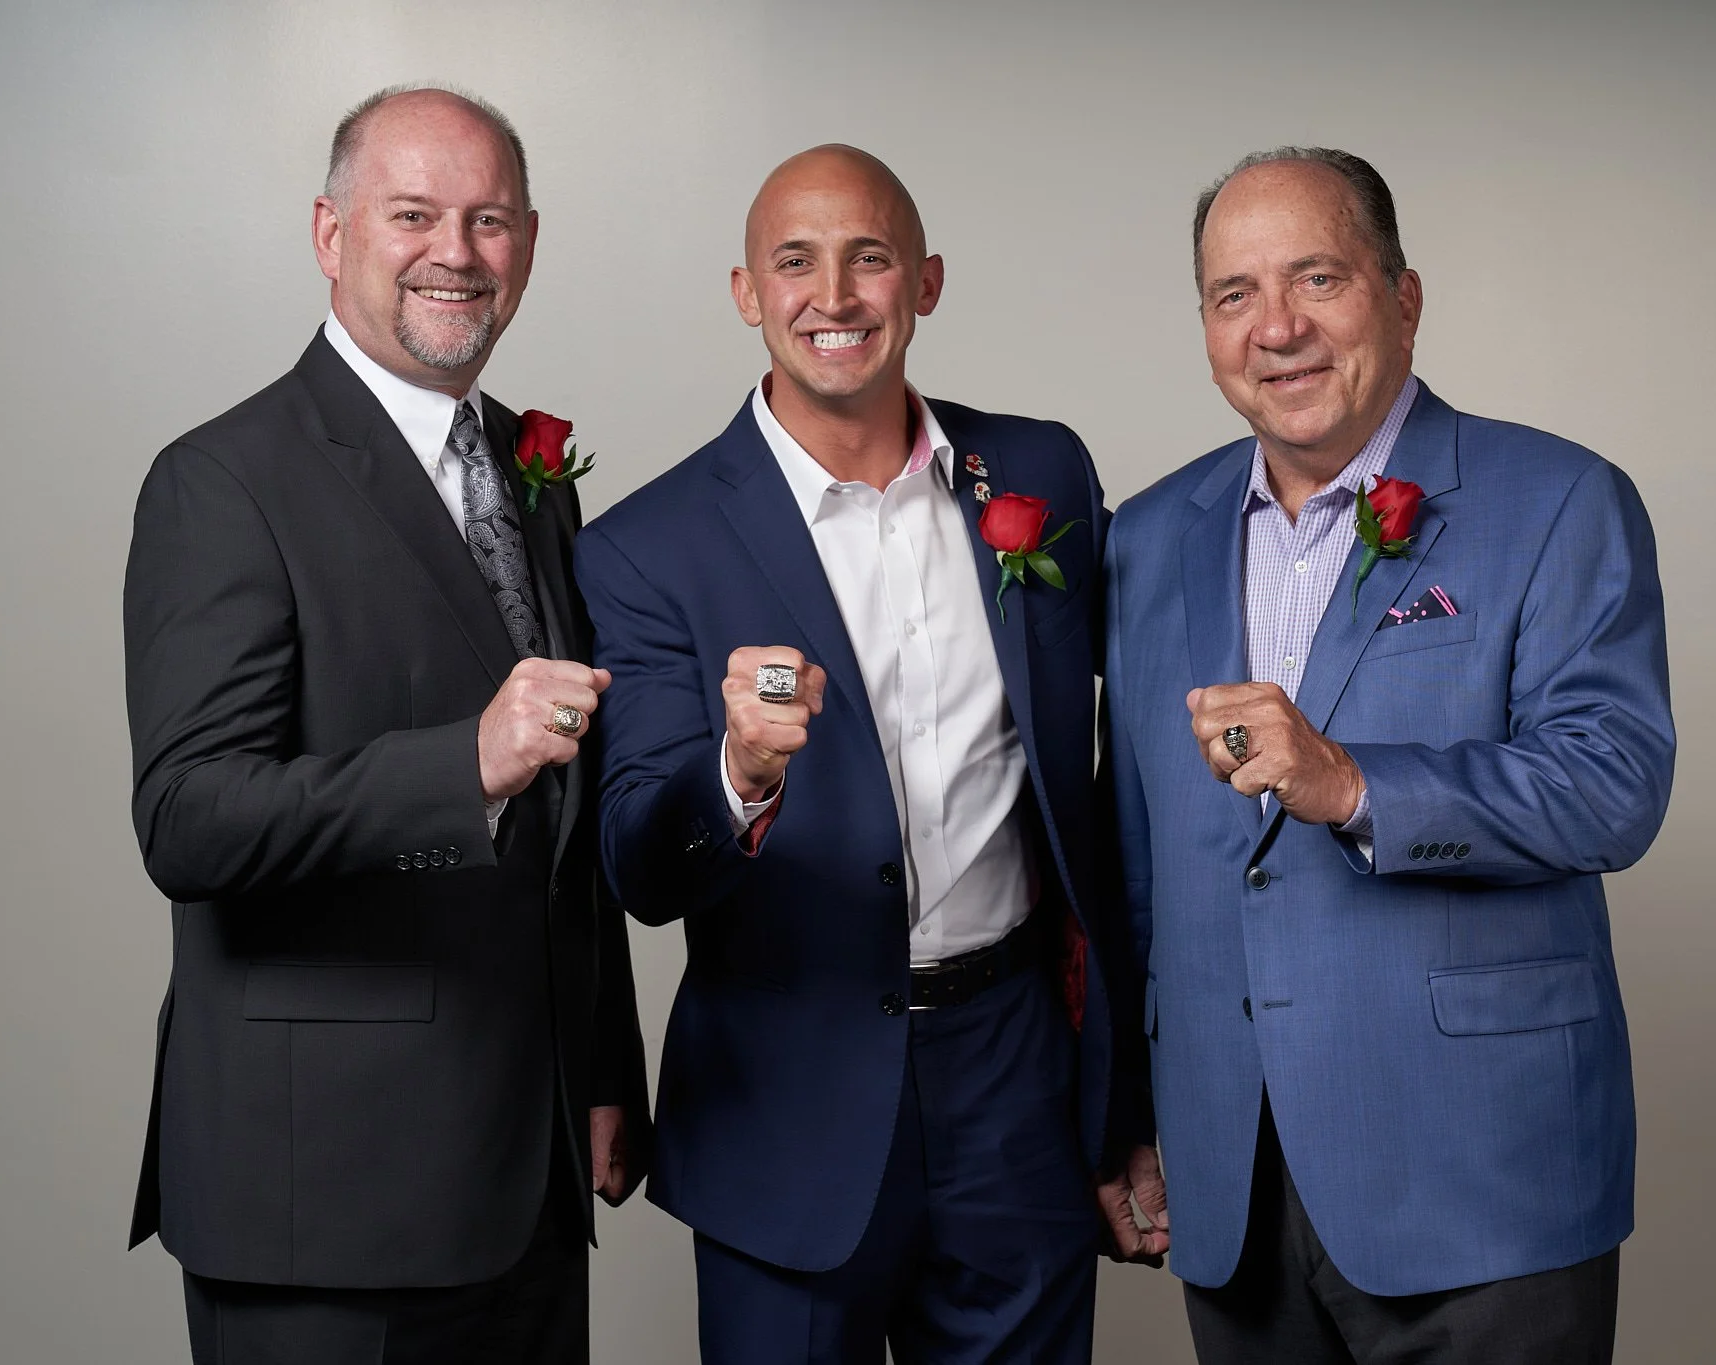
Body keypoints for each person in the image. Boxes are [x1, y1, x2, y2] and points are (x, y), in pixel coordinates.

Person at [574, 144, 1163, 1365]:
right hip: (782, 1102)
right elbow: (639, 866)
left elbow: (1134, 744)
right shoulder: (646, 546)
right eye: (794, 261)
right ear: (745, 292)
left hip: (1014, 1081)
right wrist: (737, 774)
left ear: (926, 282)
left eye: (869, 257)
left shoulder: (1041, 475)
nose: (832, 295)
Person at [1101, 147, 1675, 1364]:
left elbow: (1613, 786)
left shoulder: (1560, 500)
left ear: (1401, 297)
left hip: (1481, 1179)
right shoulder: (1148, 538)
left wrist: (1353, 785)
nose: (1276, 329)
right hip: (1232, 1176)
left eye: (1316, 278)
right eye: (1233, 295)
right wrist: (1131, 1115)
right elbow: (1136, 863)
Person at [121, 85, 649, 1364]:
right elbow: (186, 820)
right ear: (329, 232)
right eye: (413, 215)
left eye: (489, 220)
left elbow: (563, 818)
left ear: (527, 239)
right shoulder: (223, 479)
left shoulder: (530, 471)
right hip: (323, 1197)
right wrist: (460, 763)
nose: (455, 254)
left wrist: (597, 1067)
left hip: (522, 1175)